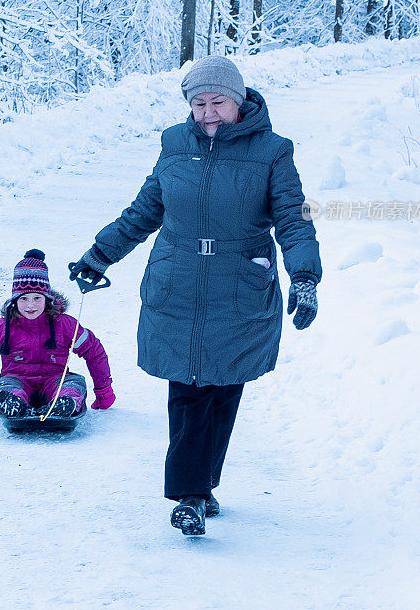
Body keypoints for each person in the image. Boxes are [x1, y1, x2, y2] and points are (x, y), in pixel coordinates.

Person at [70, 55, 321, 535]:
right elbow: (146, 209)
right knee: (188, 385)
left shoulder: (272, 151)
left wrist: (305, 276)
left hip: (240, 283)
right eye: (198, 102)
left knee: (225, 386)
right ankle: (188, 495)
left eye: (218, 102)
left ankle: (204, 485)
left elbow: (293, 216)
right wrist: (99, 255)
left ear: (239, 101)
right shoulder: (174, 143)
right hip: (179, 279)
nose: (207, 112)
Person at [0, 249, 116, 418]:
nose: (30, 305)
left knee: (73, 384)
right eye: (23, 299)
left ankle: (64, 403)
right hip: (17, 379)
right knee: (4, 385)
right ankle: (12, 403)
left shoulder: (64, 324)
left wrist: (103, 389)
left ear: (47, 298)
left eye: (37, 298)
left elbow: (94, 352)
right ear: (14, 300)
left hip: (55, 380)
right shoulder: (2, 328)